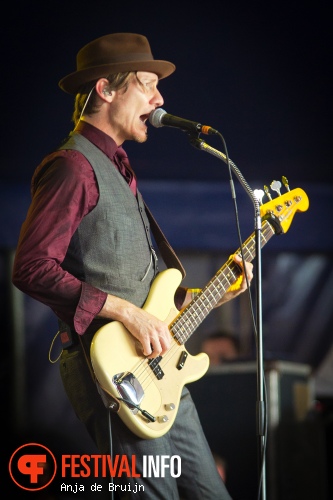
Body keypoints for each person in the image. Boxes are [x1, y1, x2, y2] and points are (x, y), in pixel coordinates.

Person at [12, 33, 253, 499]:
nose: (160, 98)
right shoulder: (72, 167)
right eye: (146, 84)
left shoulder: (118, 169)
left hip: (160, 373)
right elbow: (31, 267)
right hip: (116, 375)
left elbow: (143, 291)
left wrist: (215, 293)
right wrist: (124, 312)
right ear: (106, 89)